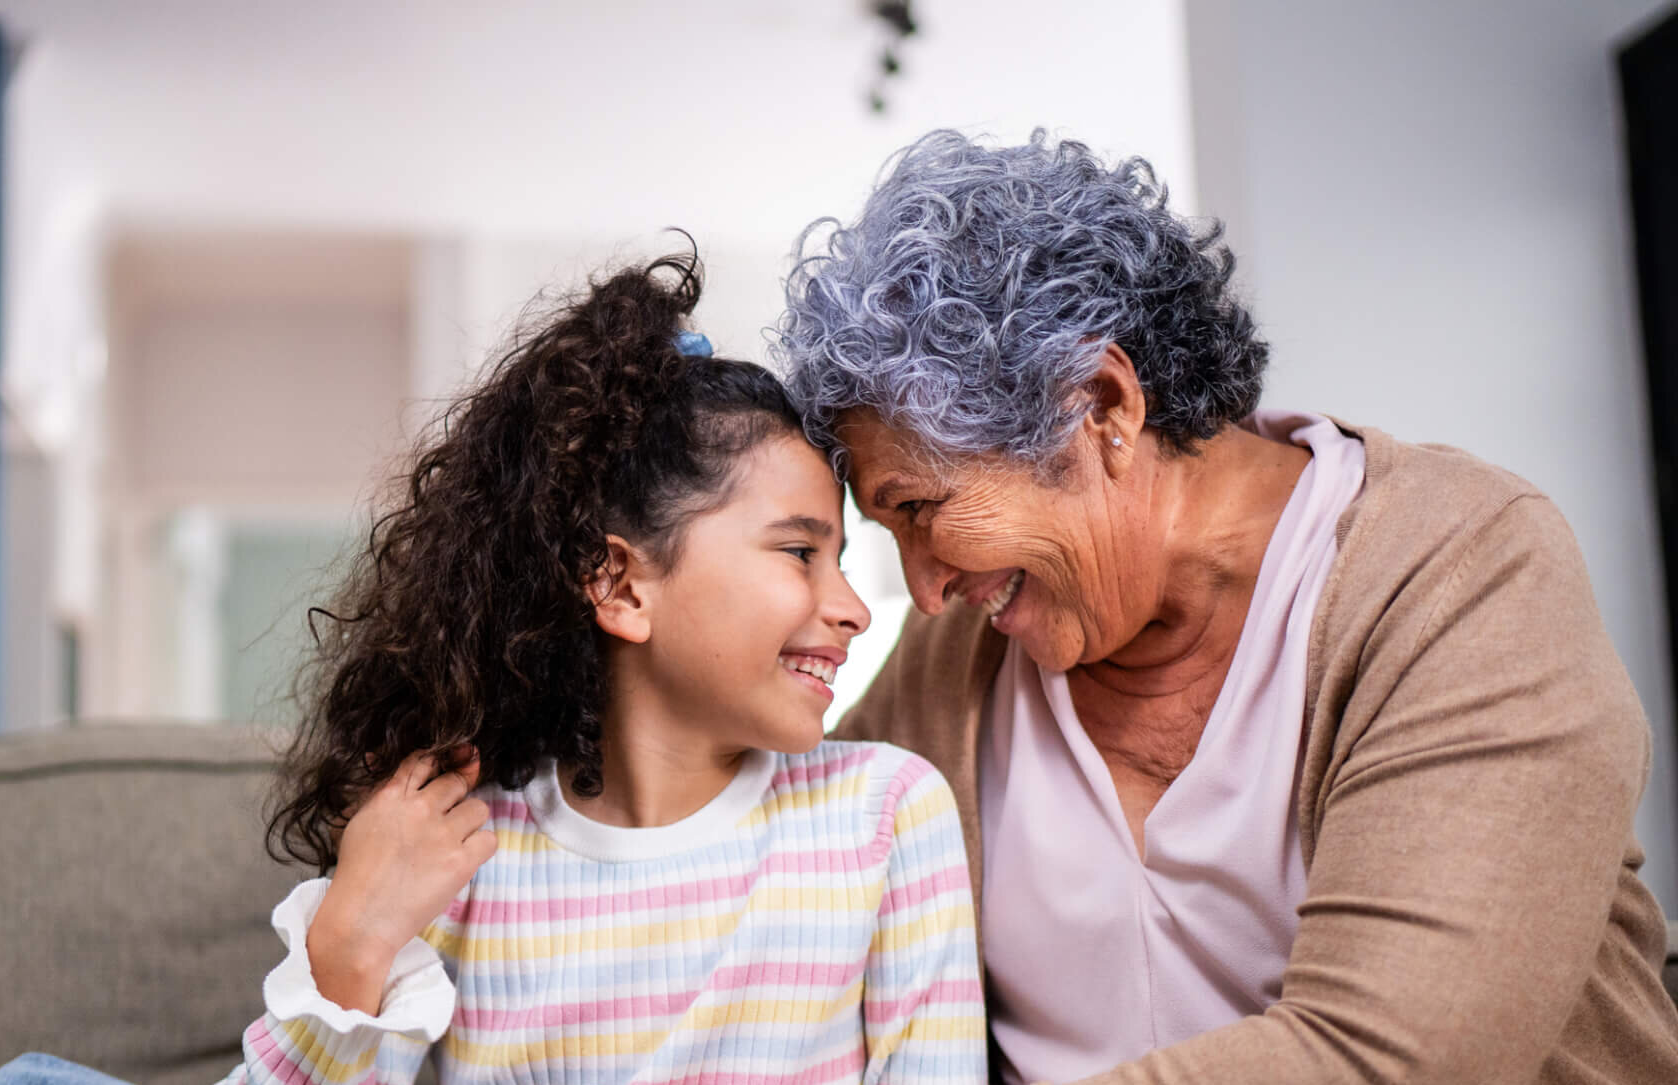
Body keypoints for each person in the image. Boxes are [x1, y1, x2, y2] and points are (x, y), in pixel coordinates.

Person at [775, 129, 1678, 1083]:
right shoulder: (953, 657)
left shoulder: (1461, 569)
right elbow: (776, 863)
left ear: (1104, 404)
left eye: (922, 509)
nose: (923, 589)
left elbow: (1393, 1056)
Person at [219, 252, 983, 1084]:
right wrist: (351, 940)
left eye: (839, 558)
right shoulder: (462, 850)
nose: (855, 609)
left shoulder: (884, 820)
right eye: (800, 550)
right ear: (619, 584)